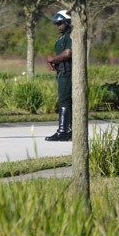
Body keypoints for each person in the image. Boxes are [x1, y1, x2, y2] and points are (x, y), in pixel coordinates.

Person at [45, 10, 73, 142]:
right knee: (65, 101)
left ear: (68, 22)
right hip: (61, 72)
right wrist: (53, 62)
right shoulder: (62, 37)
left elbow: (68, 53)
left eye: (60, 23)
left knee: (64, 101)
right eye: (57, 23)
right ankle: (68, 130)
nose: (58, 26)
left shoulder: (71, 35)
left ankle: (63, 131)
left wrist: (53, 58)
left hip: (68, 73)